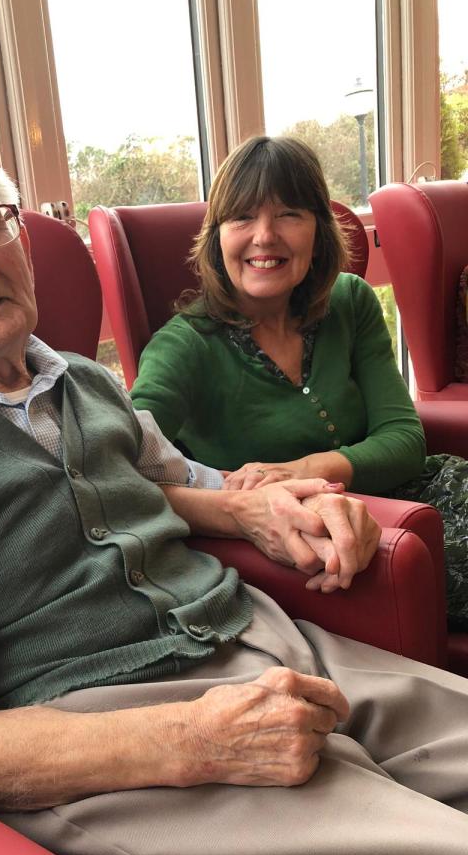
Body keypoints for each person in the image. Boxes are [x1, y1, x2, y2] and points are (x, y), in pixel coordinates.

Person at [0, 152, 468, 855]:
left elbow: (181, 482)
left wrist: (282, 506)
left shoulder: (82, 380)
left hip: (261, 635)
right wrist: (189, 740)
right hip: (106, 727)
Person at [131, 134, 468, 629]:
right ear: (218, 236)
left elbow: (404, 441)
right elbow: (120, 473)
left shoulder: (349, 301)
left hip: (423, 494)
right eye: (242, 217)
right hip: (327, 535)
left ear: (318, 229)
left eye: (289, 213)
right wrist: (238, 505)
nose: (265, 236)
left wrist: (296, 469)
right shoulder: (185, 344)